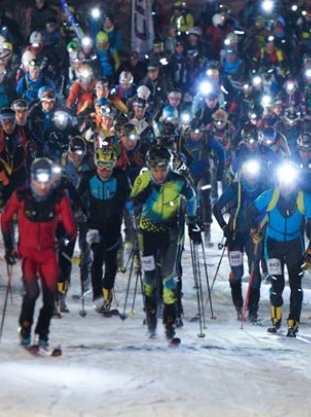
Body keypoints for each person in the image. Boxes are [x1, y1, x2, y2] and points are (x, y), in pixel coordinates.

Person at [0, 157, 77, 352]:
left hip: (48, 254)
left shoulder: (59, 198)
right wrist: (9, 246)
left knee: (50, 295)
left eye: (46, 182)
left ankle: (43, 334)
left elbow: (70, 228)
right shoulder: (21, 196)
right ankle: (25, 329)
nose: (42, 187)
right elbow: (5, 219)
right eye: (38, 182)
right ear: (32, 180)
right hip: (28, 254)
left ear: (52, 181)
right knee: (32, 292)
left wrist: (64, 240)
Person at [130, 144, 198, 342]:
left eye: (163, 169)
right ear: (150, 167)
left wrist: (192, 220)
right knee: (149, 279)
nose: (159, 174)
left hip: (170, 234)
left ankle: (170, 324)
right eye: (155, 170)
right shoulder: (142, 180)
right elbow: (130, 203)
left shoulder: (178, 180)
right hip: (147, 235)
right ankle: (151, 319)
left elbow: (192, 197)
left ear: (169, 166)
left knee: (169, 277)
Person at [246, 160, 311, 337]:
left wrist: (310, 251)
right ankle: (276, 318)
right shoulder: (270, 195)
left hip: (295, 245)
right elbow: (249, 212)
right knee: (277, 283)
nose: (287, 185)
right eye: (284, 181)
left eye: (290, 181)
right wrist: (254, 229)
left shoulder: (304, 199)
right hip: (273, 245)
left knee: (296, 284)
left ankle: (293, 322)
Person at [77, 144, 131, 314]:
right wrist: (79, 213)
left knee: (111, 262)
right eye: (101, 165)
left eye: (108, 165)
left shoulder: (120, 177)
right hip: (94, 226)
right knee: (97, 259)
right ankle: (98, 297)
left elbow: (129, 199)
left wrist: (133, 214)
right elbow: (78, 198)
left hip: (114, 226)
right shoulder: (88, 177)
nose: (104, 170)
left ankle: (107, 291)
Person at [213, 154, 266, 322]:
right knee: (237, 271)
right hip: (235, 235)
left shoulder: (263, 188)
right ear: (243, 173)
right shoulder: (234, 188)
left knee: (254, 272)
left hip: (253, 236)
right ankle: (238, 305)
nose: (251, 177)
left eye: (254, 173)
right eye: (248, 173)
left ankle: (253, 310)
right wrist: (224, 227)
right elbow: (217, 208)